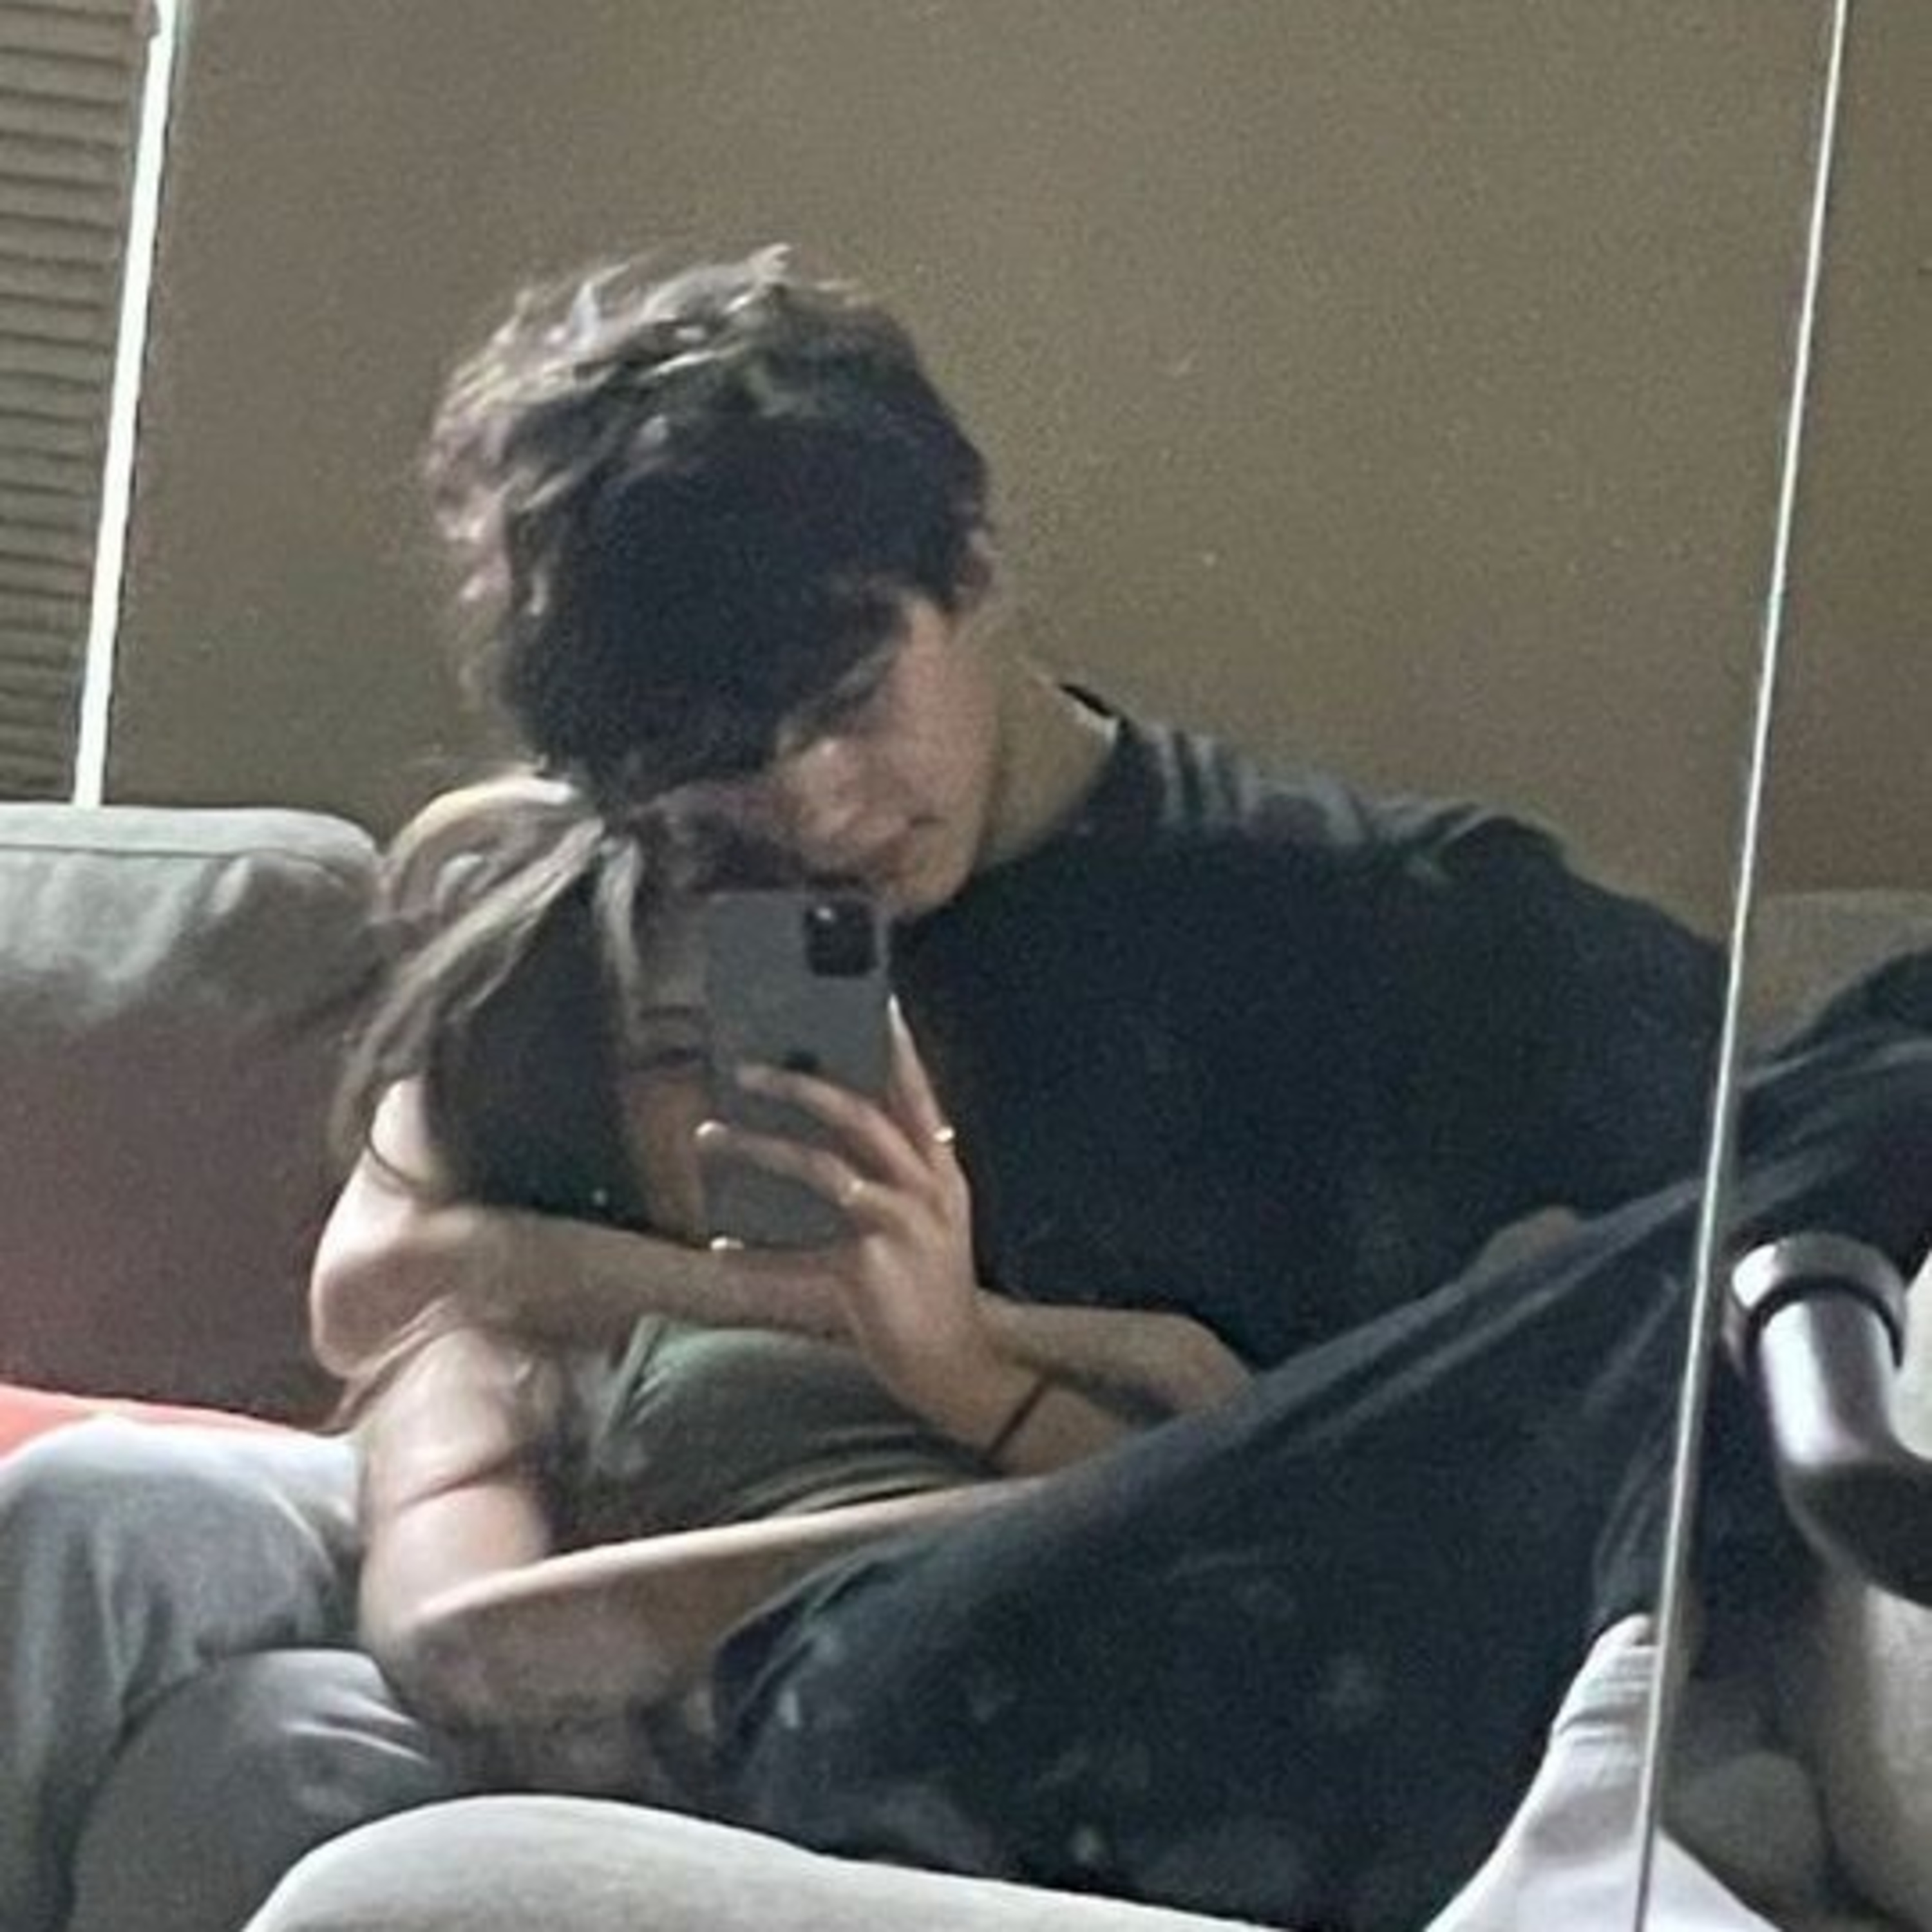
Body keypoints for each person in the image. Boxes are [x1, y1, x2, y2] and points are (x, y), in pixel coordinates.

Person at [0, 244, 1924, 1932]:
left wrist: (967, 1361)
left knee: (1860, 1095)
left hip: (1055, 1598)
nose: (811, 810)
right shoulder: (655, 891)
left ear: (975, 565)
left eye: (849, 703)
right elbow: (388, 1285)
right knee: (114, 1523)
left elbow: (1776, 1175)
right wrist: (787, 1303)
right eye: (715, 767)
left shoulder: (1379, 922)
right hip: (617, 1538)